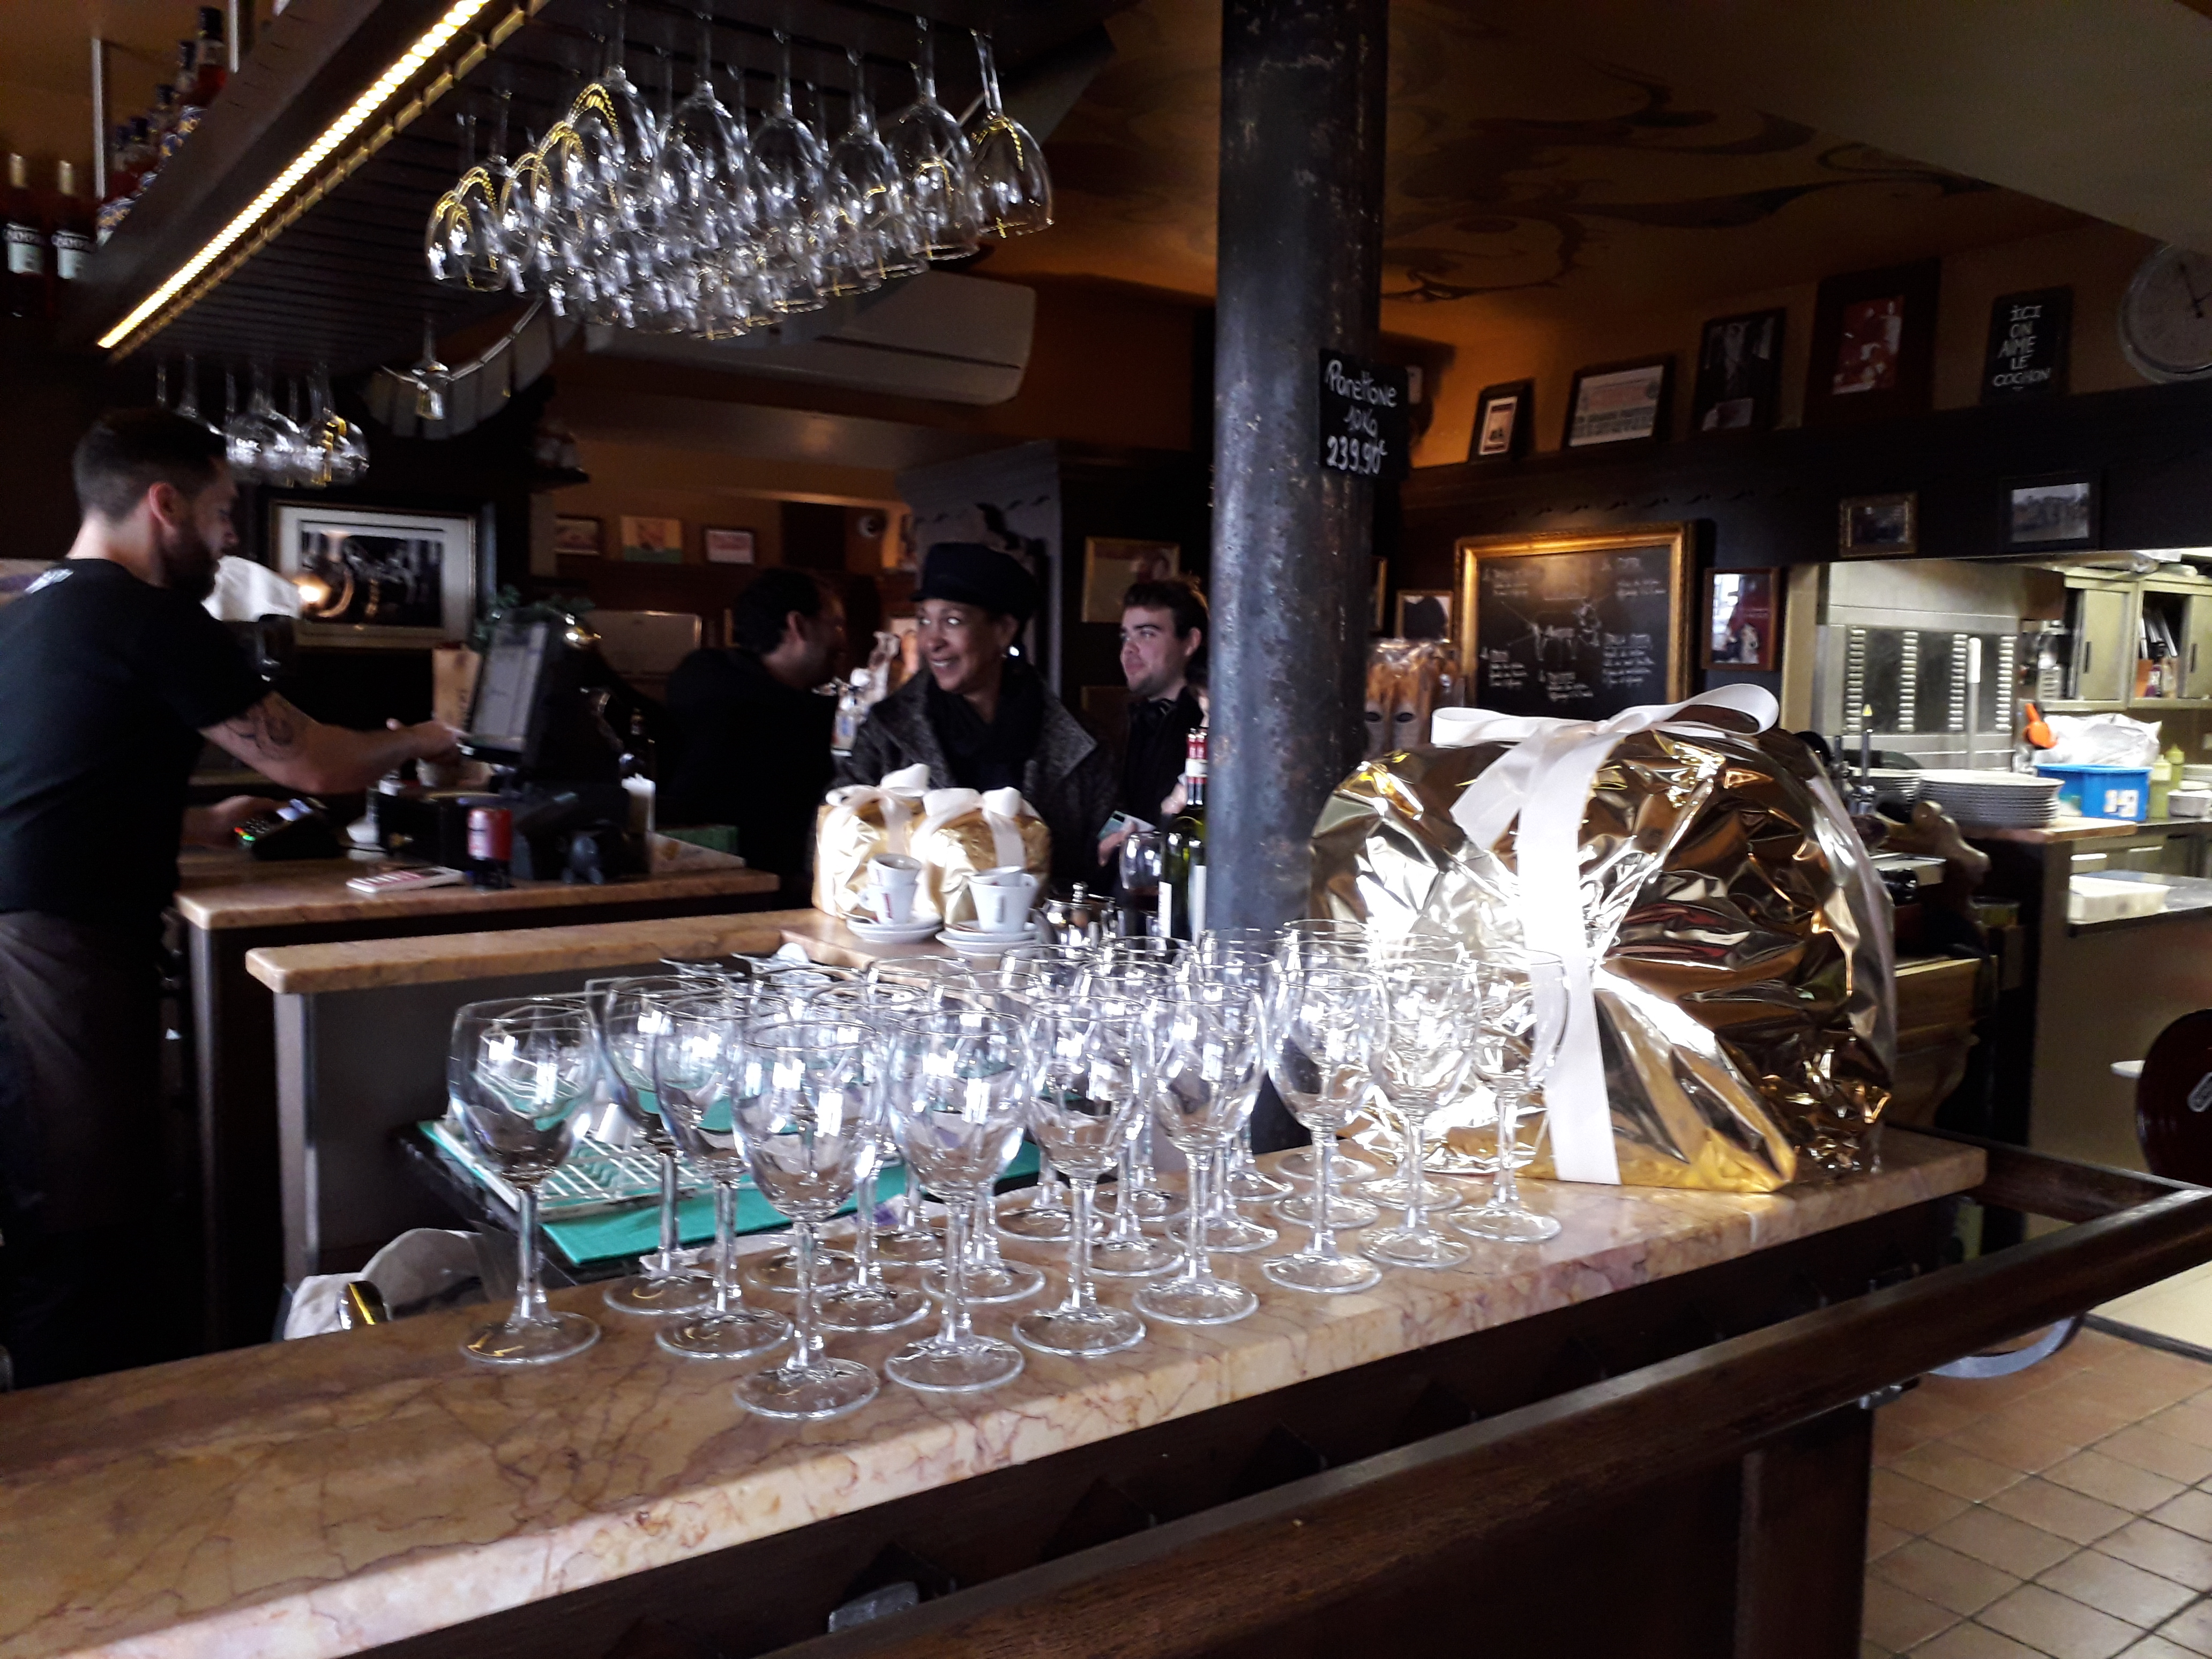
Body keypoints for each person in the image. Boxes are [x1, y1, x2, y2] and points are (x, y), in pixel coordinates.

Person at [0, 409, 460, 1386]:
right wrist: (431, 735)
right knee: (80, 1230)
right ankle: (77, 1452)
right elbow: (322, 765)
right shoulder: (149, 616)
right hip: (55, 952)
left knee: (53, 1207)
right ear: (162, 505)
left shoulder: (33, 607)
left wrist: (199, 826)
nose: (230, 536)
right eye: (221, 511)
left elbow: (42, 785)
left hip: (31, 935)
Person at [836, 543, 1114, 884]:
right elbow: (836, 845)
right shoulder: (887, 730)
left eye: (952, 621)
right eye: (924, 620)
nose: (931, 641)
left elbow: (1107, 863)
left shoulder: (1080, 741)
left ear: (1003, 630)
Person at [660, 569, 846, 903]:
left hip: (691, 889)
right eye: (835, 625)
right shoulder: (784, 720)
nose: (841, 640)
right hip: (760, 899)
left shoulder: (703, 683)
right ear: (798, 626)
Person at [1116, 578, 1208, 831]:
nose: (1129, 649)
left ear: (1190, 642)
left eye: (1147, 634)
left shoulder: (1211, 725)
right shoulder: (1132, 721)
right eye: (1125, 637)